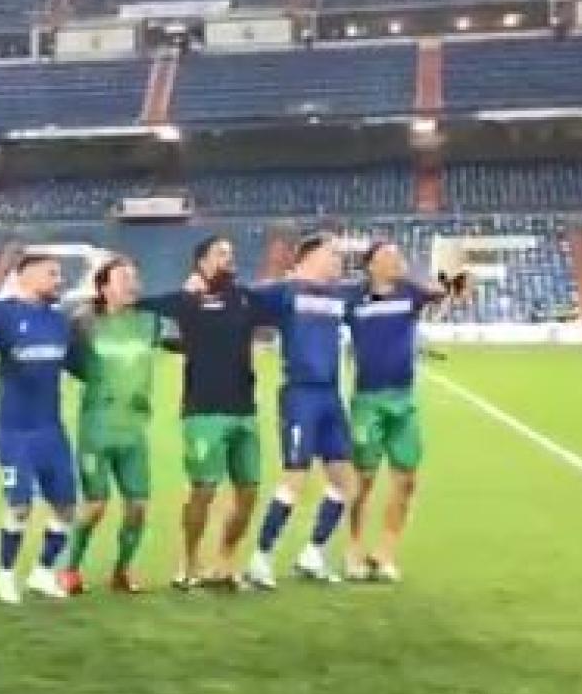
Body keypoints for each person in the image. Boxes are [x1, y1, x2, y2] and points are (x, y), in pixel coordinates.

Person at [143, 237, 267, 590]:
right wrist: (186, 295)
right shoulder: (187, 301)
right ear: (201, 261)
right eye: (220, 254)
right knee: (204, 489)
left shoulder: (245, 299)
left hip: (245, 410)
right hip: (202, 411)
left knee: (249, 491)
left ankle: (224, 562)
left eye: (231, 253)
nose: (229, 259)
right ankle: (189, 560)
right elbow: (139, 304)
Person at [0, 252, 78, 606]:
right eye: (52, 274)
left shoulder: (59, 321)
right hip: (14, 429)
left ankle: (42, 572)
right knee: (20, 505)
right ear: (26, 277)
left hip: (51, 429)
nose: (59, 280)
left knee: (66, 505)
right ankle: (5, 574)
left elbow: (77, 363)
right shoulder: (3, 315)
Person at [237, 234, 358, 590]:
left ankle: (313, 552)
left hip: (330, 397)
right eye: (331, 254)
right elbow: (243, 296)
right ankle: (260, 558)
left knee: (344, 481)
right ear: (310, 256)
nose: (338, 260)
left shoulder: (341, 296)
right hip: (300, 396)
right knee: (296, 478)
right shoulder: (285, 291)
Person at [344, 241, 455, 583]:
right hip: (367, 400)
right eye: (389, 257)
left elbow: (446, 293)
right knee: (362, 479)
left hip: (403, 400)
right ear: (370, 265)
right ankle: (354, 551)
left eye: (399, 257)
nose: (397, 261)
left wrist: (455, 281)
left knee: (406, 479)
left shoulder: (411, 292)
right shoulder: (353, 299)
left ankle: (386, 553)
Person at [64, 257, 167, 596]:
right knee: (96, 505)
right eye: (124, 278)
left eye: (135, 277)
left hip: (134, 429)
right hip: (97, 427)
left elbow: (186, 339)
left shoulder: (149, 323)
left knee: (138, 506)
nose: (133, 284)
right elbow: (69, 361)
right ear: (104, 287)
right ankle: (70, 569)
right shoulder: (84, 323)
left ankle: (122, 570)